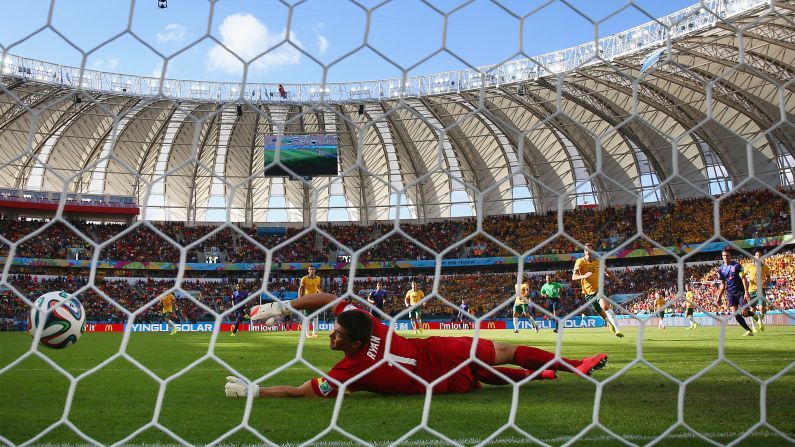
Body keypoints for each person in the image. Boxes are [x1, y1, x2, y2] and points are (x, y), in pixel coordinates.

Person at [227, 293, 609, 398]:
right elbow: (328, 299)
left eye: (337, 334)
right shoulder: (370, 329)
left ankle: (563, 368)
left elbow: (301, 392)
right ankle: (553, 370)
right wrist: (282, 307)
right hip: (442, 359)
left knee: (493, 368)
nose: (330, 335)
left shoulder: (349, 372)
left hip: (439, 376)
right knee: (497, 365)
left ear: (355, 341)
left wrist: (256, 391)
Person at [572, 243, 624, 338]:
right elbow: (573, 277)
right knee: (601, 313)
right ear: (584, 252)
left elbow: (607, 272)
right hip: (588, 293)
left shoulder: (599, 262)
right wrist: (583, 276)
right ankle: (609, 323)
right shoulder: (580, 261)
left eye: (590, 250)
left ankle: (617, 329)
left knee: (605, 307)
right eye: (587, 250)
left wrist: (616, 279)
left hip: (599, 289)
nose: (588, 252)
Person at [716, 247, 754, 336]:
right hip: (730, 293)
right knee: (735, 313)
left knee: (744, 312)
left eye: (727, 255)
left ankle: (754, 316)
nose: (725, 257)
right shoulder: (721, 269)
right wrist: (719, 297)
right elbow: (722, 284)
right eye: (723, 255)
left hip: (740, 292)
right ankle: (749, 330)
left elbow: (743, 278)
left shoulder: (737, 266)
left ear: (731, 256)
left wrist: (746, 292)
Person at [745, 250, 770, 332]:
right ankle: (753, 326)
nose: (758, 256)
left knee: (762, 308)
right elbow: (743, 276)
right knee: (753, 310)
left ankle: (760, 321)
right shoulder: (749, 266)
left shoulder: (765, 267)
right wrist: (748, 278)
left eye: (760, 255)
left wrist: (766, 281)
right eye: (757, 255)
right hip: (751, 290)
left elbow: (768, 277)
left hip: (761, 289)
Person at [299, 266, 322, 338]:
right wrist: (300, 298)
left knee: (315, 317)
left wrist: (321, 294)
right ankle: (307, 333)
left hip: (315, 299)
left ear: (315, 270)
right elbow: (301, 288)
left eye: (312, 269)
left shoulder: (318, 278)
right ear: (308, 271)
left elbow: (318, 287)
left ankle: (314, 333)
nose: (311, 270)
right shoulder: (304, 279)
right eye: (310, 269)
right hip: (307, 299)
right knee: (307, 317)